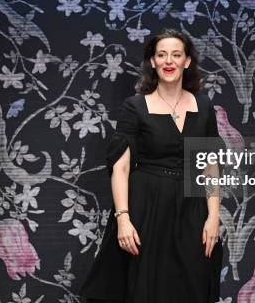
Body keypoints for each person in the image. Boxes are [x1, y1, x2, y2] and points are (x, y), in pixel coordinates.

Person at [79, 29, 225, 303]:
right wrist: (123, 219)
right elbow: (120, 168)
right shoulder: (134, 107)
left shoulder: (204, 107)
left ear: (187, 61)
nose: (169, 61)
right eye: (162, 55)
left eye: (176, 54)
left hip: (191, 208)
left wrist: (213, 216)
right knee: (146, 289)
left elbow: (209, 165)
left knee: (192, 287)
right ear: (153, 62)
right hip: (147, 208)